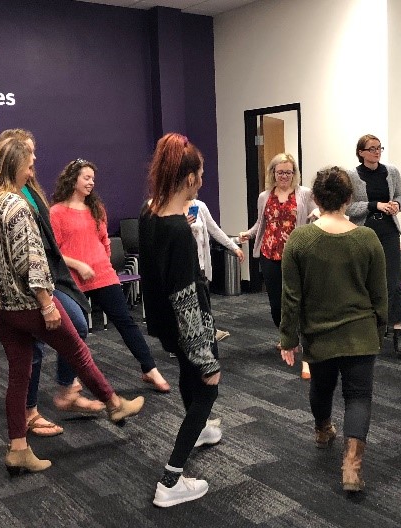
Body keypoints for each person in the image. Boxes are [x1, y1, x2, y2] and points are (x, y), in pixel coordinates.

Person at [0, 137, 144, 475]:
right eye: (29, 164)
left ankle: (18, 447)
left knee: (19, 374)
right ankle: (114, 404)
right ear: (13, 166)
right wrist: (47, 304)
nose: (33, 168)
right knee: (77, 351)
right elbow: (29, 261)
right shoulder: (15, 205)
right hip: (29, 303)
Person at [279, 166, 387, 492]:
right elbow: (380, 295)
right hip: (361, 334)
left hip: (319, 334)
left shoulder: (300, 239)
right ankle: (352, 467)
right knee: (358, 397)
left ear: (314, 197)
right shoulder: (367, 238)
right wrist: (378, 332)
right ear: (350, 198)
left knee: (322, 389)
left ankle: (323, 429)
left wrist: (288, 338)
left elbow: (290, 297)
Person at [0, 128, 104, 438]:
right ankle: (30, 412)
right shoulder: (7, 197)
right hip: (29, 283)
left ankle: (65, 390)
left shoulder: (30, 188)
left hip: (49, 275)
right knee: (32, 350)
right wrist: (44, 301)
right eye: (29, 154)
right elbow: (24, 251)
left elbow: (45, 242)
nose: (34, 159)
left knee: (78, 325)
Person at [140, 133, 221, 507]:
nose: (202, 181)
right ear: (189, 178)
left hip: (163, 324)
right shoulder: (177, 229)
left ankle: (201, 429)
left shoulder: (149, 213)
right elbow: (185, 300)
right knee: (207, 388)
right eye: (200, 175)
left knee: (191, 379)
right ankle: (170, 481)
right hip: (187, 326)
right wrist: (205, 357)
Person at [49, 159, 170, 393]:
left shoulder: (96, 209)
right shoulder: (56, 213)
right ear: (73, 179)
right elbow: (52, 253)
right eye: (86, 177)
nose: (91, 182)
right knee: (74, 331)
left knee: (126, 322)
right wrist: (79, 265)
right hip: (72, 279)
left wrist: (103, 262)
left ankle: (149, 369)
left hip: (102, 275)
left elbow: (104, 242)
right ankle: (69, 380)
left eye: (93, 178)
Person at [239, 153, 316, 378]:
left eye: (288, 172)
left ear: (294, 174)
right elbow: (261, 223)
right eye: (280, 171)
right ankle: (285, 336)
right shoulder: (265, 196)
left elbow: (316, 215)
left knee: (297, 298)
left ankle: (297, 340)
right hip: (269, 253)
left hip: (295, 254)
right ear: (273, 173)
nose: (284, 176)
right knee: (276, 302)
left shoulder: (304, 194)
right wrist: (248, 234)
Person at [345, 134, 401, 359]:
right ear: (361, 152)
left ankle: (398, 333)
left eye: (379, 148)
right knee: (368, 283)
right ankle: (372, 330)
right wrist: (376, 205)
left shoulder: (391, 172)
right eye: (371, 149)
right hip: (364, 232)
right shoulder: (352, 176)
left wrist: (395, 205)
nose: (376, 152)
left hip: (389, 232)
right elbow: (348, 208)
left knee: (393, 283)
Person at [185, 197, 245, 341]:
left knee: (203, 301)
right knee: (186, 304)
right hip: (181, 266)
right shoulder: (169, 207)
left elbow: (215, 230)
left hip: (200, 264)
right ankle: (182, 342)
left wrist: (234, 247)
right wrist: (182, 225)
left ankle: (208, 333)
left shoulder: (199, 206)